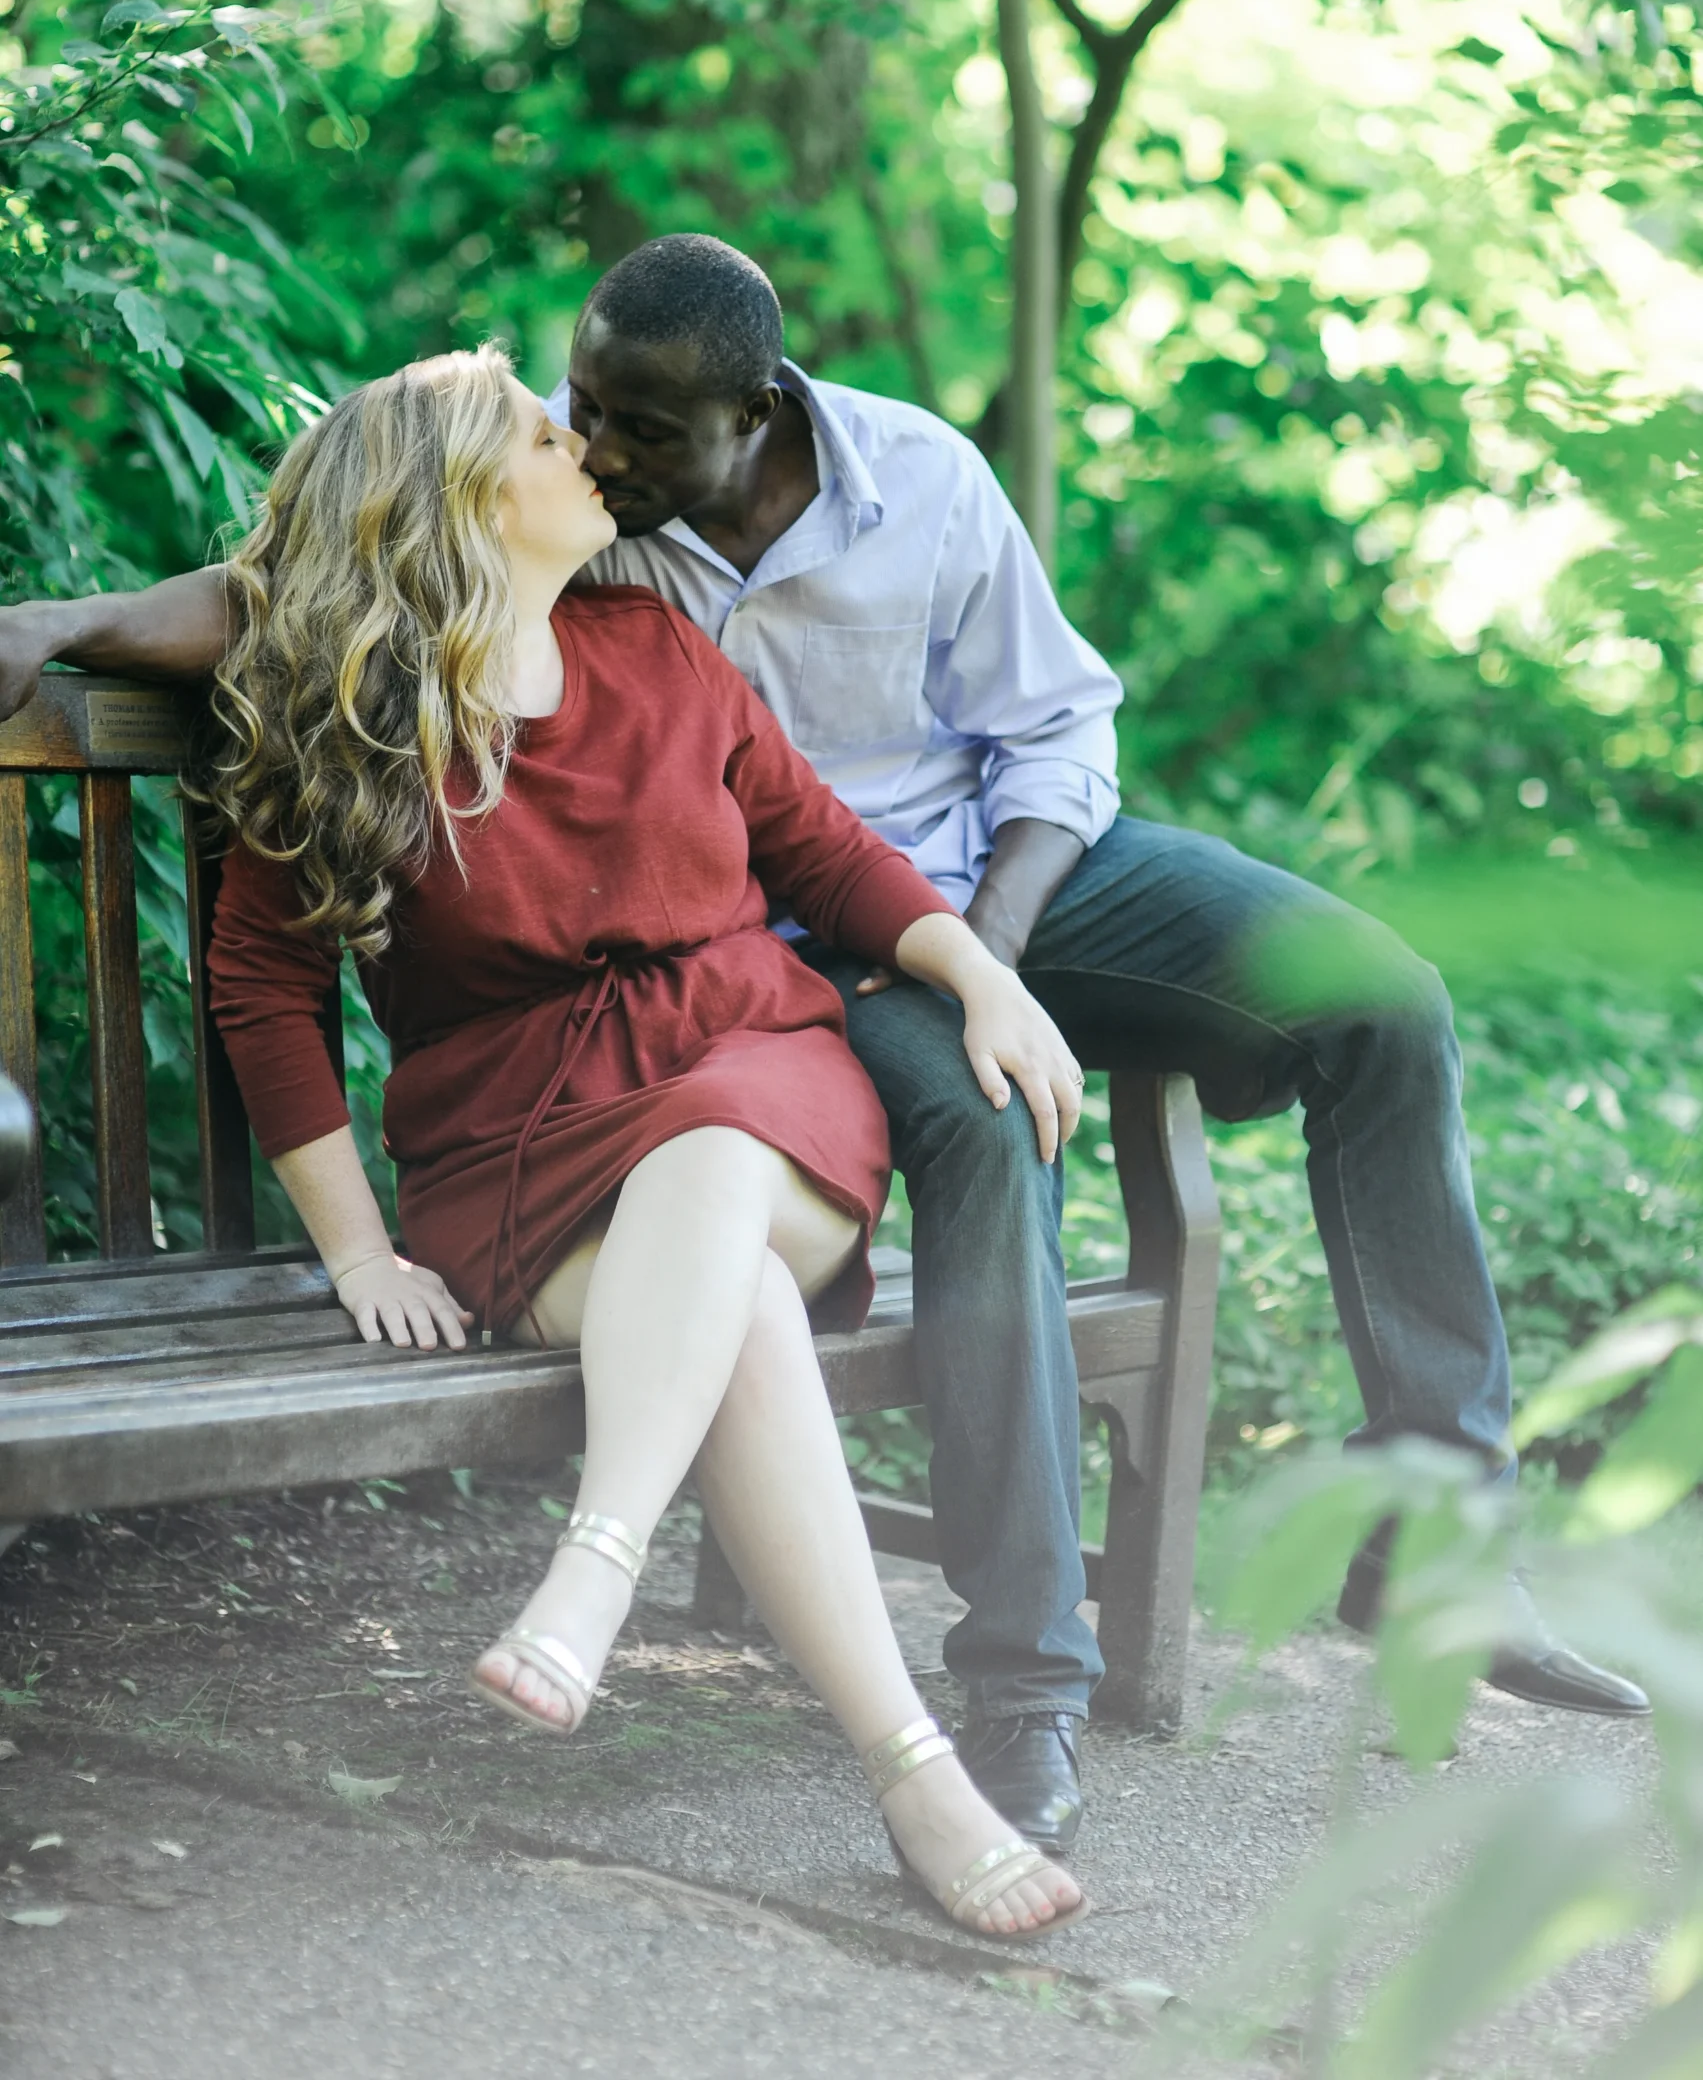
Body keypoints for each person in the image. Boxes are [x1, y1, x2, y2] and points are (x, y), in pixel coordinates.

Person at [0, 239, 1648, 1858]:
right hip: (768, 950)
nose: (598, 447)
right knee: (982, 1132)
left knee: (1380, 1002)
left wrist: (986, 958)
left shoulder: (911, 480)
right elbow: (337, 568)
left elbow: (1052, 728)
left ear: (756, 412)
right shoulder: (580, 518)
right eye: (578, 413)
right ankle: (1019, 1686)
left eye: (639, 431)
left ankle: (1440, 1537)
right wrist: (68, 616)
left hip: (979, 882)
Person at [193, 341, 1091, 1942]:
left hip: (758, 1074)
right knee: (733, 1304)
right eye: (543, 437)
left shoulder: (658, 649)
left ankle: (595, 1565)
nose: (584, 449)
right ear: (466, 501)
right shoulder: (360, 714)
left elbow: (827, 851)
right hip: (517, 1146)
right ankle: (912, 1770)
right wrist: (358, 1249)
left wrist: (981, 978)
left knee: (718, 1145)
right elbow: (263, 982)